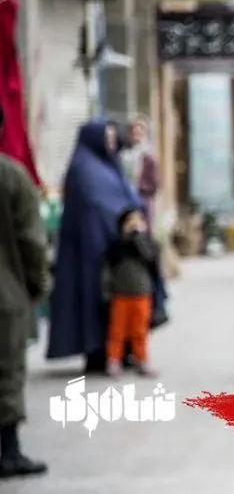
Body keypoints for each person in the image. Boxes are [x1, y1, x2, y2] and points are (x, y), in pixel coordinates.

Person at [47, 120, 167, 373]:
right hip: (92, 251)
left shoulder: (108, 165)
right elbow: (95, 205)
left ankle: (126, 350)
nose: (112, 144)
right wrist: (121, 216)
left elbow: (126, 197)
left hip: (119, 252)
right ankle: (102, 352)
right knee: (100, 302)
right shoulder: (83, 168)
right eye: (107, 138)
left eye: (113, 138)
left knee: (127, 306)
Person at [0, 103, 49, 478]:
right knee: (7, 372)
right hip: (7, 296)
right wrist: (37, 285)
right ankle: (8, 452)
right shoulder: (13, 178)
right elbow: (32, 243)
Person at [102, 209, 159, 377]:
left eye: (138, 221)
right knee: (117, 330)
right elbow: (106, 271)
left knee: (139, 330)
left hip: (142, 294)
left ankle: (141, 359)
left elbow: (151, 258)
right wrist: (106, 291)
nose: (134, 225)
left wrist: (138, 238)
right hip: (120, 294)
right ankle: (114, 360)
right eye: (130, 221)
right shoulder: (117, 247)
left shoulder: (146, 244)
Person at [120, 118, 160, 234]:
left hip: (142, 199)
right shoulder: (123, 153)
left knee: (144, 232)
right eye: (133, 132)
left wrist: (141, 190)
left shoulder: (149, 155)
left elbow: (154, 182)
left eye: (139, 133)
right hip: (125, 199)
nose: (135, 135)